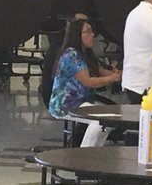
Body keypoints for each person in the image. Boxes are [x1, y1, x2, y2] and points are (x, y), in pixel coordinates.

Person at [49, 18, 121, 148]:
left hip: (83, 101)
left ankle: (95, 151)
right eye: (87, 32)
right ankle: (84, 154)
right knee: (98, 121)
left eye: (91, 31)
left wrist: (116, 74)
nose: (92, 35)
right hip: (66, 103)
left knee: (111, 120)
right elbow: (88, 82)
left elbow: (103, 72)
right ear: (78, 36)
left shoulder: (87, 54)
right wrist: (112, 79)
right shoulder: (71, 55)